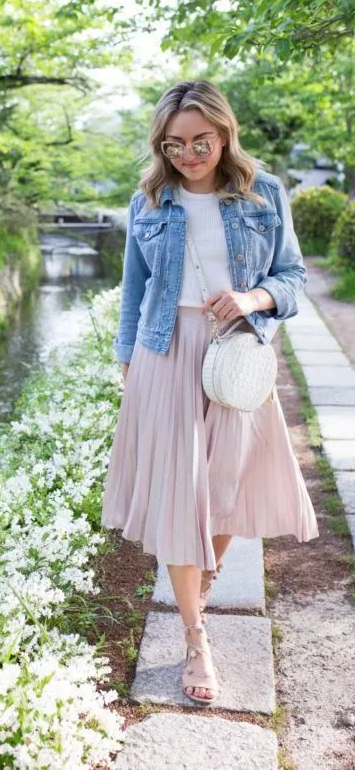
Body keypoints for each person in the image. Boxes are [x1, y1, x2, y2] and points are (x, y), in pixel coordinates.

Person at [100, 79, 319, 706]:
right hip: (164, 354)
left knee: (227, 487)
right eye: (174, 145)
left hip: (237, 349)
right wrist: (128, 365)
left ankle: (208, 575)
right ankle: (196, 635)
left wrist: (254, 297)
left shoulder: (264, 192)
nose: (189, 156)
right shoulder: (149, 200)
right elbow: (135, 293)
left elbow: (294, 276)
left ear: (224, 133)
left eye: (201, 142)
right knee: (179, 497)